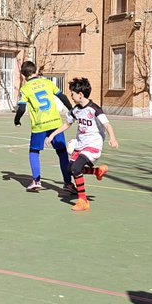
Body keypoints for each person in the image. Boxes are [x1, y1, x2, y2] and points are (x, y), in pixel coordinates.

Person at [45, 77, 119, 212]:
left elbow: (107, 125)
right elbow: (67, 124)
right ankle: (97, 171)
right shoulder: (75, 110)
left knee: (76, 169)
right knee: (70, 169)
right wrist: (52, 134)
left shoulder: (95, 109)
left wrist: (112, 138)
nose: (71, 96)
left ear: (80, 94)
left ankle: (83, 200)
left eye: (72, 93)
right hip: (80, 144)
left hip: (93, 145)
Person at [14, 60, 75, 193]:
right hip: (55, 123)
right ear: (36, 71)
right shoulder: (48, 83)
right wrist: (72, 110)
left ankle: (36, 181)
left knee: (34, 152)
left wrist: (17, 120)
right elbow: (62, 97)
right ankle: (68, 183)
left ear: (23, 75)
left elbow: (22, 108)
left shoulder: (25, 89)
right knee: (62, 153)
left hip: (39, 125)